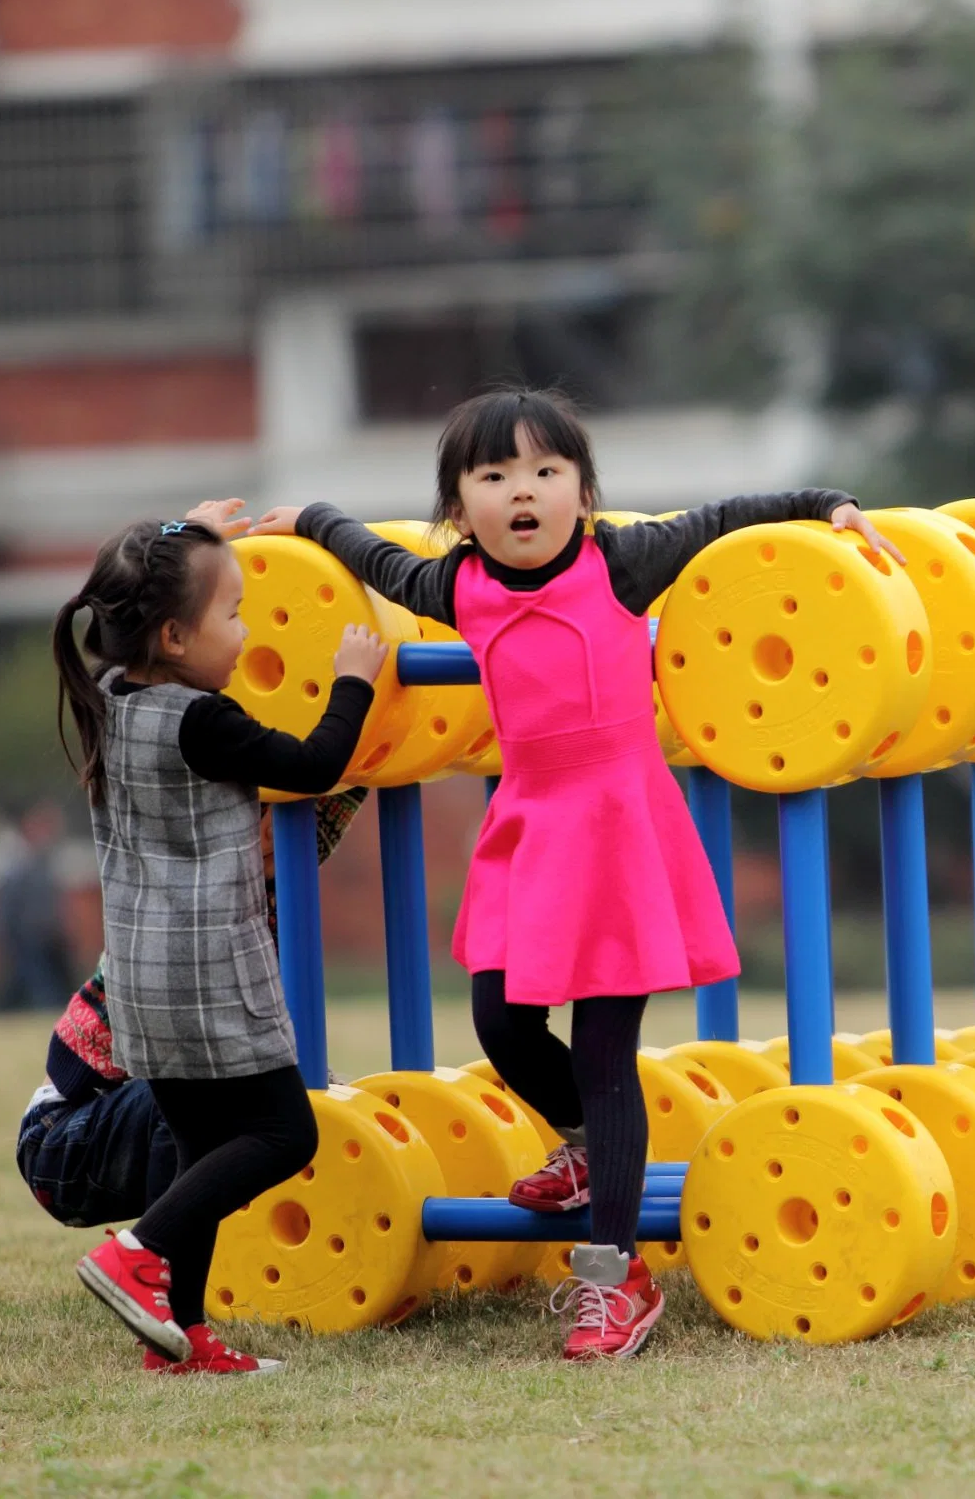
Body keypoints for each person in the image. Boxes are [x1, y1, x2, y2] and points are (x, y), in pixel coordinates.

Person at [253, 386, 904, 1360]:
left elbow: (723, 520)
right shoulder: (457, 586)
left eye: (546, 471)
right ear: (460, 507)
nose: (523, 491)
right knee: (498, 1019)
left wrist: (826, 504)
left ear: (582, 492)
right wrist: (308, 520)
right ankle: (584, 1150)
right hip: (531, 832)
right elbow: (374, 560)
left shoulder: (620, 563)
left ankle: (616, 1274)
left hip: (621, 832)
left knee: (606, 1054)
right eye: (495, 474)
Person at [54, 499, 384, 1375]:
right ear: (171, 636)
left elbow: (141, 591)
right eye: (231, 615)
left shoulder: (111, 695)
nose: (245, 633)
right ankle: (137, 1253)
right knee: (285, 1133)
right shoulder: (205, 723)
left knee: (199, 1150)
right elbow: (315, 766)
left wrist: (192, 541)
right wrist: (354, 679)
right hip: (212, 979)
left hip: (139, 985)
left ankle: (184, 1336)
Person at [17, 789, 364, 1234]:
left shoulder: (283, 889)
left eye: (289, 824)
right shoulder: (192, 902)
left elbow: (333, 785)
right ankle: (158, 1254)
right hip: (61, 1137)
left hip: (139, 1112)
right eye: (259, 821)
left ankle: (171, 1242)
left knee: (263, 1101)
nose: (274, 838)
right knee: (207, 1088)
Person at [0, 800, 74, 1012]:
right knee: (43, 986)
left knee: (34, 984)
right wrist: (4, 935)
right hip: (27, 937)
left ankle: (0, 1013)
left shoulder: (46, 862)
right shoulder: (18, 864)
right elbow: (6, 906)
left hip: (49, 937)